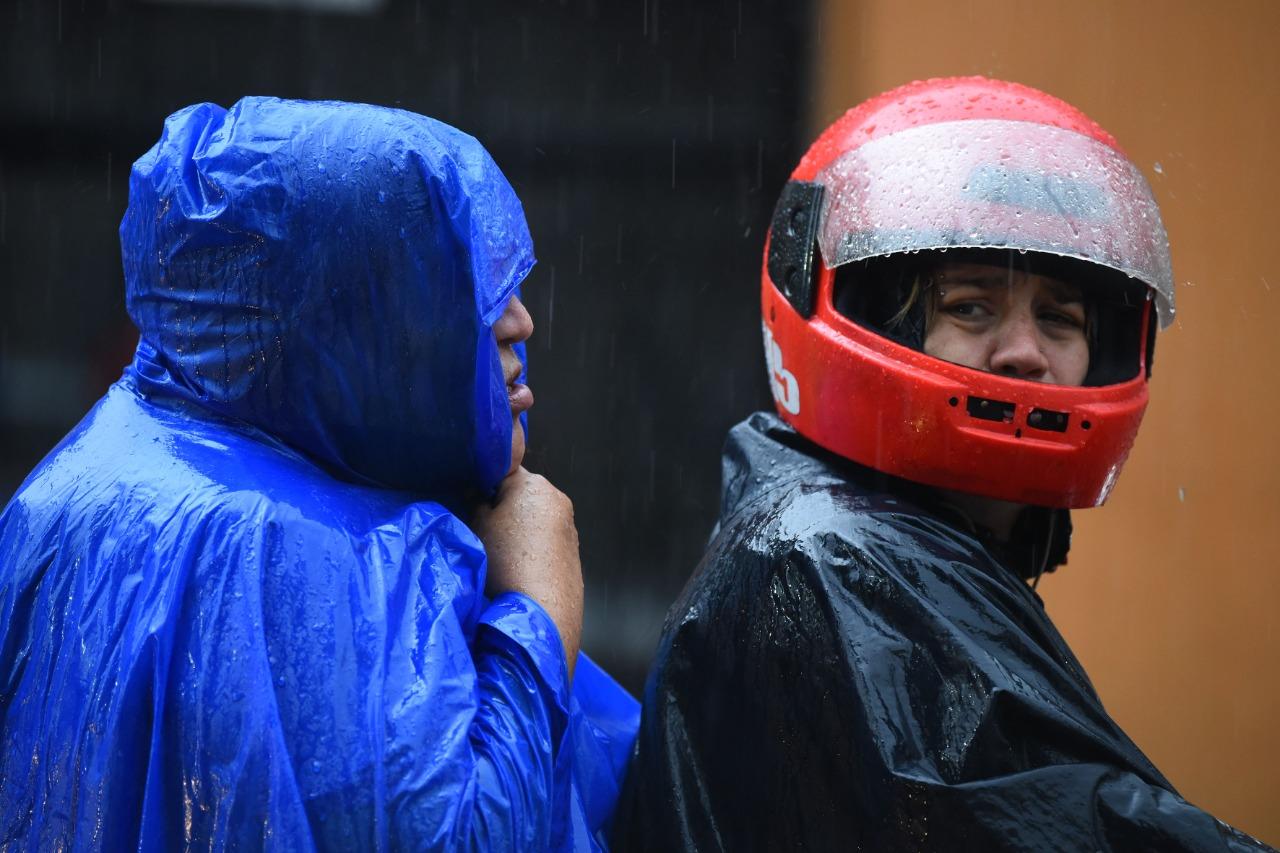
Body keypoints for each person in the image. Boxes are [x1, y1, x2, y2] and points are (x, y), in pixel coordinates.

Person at [612, 77, 1273, 851]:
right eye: (971, 307)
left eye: (1058, 317)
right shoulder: (828, 559)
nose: (1025, 352)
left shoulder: (895, 540)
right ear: (872, 319)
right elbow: (1057, 823)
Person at [0, 97, 638, 851]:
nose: (519, 322)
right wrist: (537, 611)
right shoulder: (314, 557)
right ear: (348, 313)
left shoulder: (60, 491)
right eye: (456, 285)